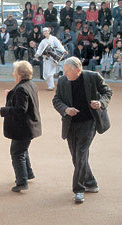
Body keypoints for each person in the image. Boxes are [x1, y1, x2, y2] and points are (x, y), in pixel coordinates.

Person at [52, 56, 112, 203]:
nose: (65, 74)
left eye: (68, 71)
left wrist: (100, 103)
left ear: (78, 70)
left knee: (81, 154)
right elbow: (56, 100)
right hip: (71, 123)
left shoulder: (92, 77)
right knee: (76, 157)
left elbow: (107, 92)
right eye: (64, 71)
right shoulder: (62, 81)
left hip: (89, 122)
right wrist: (66, 109)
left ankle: (79, 190)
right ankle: (91, 183)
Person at [0, 60, 41, 192]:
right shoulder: (29, 85)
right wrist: (11, 94)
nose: (13, 74)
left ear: (20, 74)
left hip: (23, 128)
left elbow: (21, 110)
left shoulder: (21, 88)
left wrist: (3, 110)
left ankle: (22, 182)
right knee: (22, 150)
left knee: (17, 152)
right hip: (29, 127)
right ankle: (28, 173)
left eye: (14, 72)